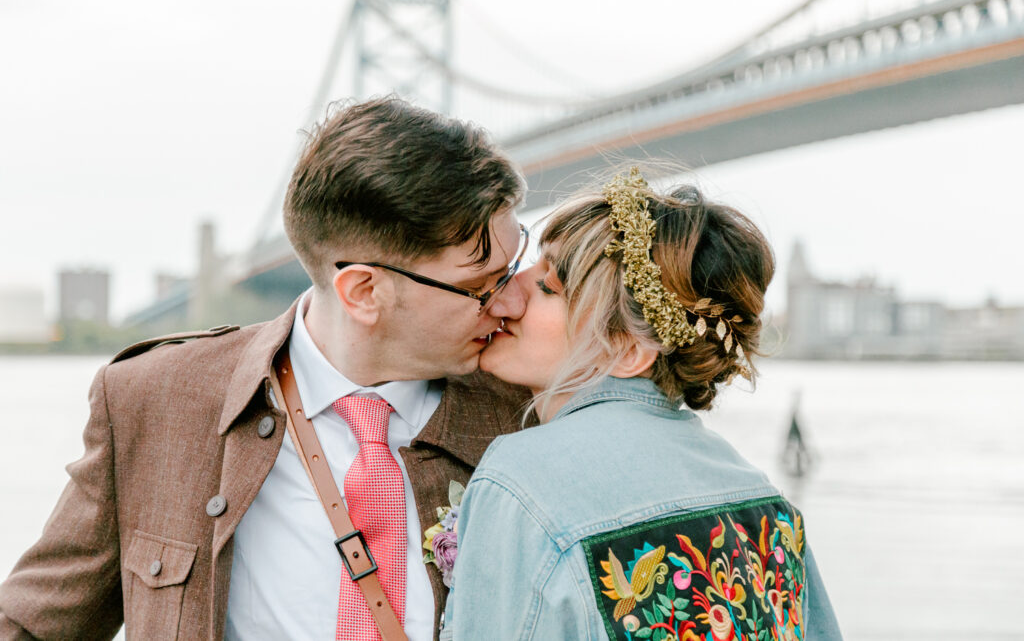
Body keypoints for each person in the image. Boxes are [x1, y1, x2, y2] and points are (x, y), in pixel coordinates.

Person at [0, 97, 532, 641]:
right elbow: (31, 628)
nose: (514, 302)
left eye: (514, 267)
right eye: (480, 286)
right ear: (364, 292)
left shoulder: (534, 412)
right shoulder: (151, 401)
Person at [445, 168, 842, 640]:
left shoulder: (521, 482)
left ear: (628, 350)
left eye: (549, 287)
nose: (507, 294)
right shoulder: (767, 504)